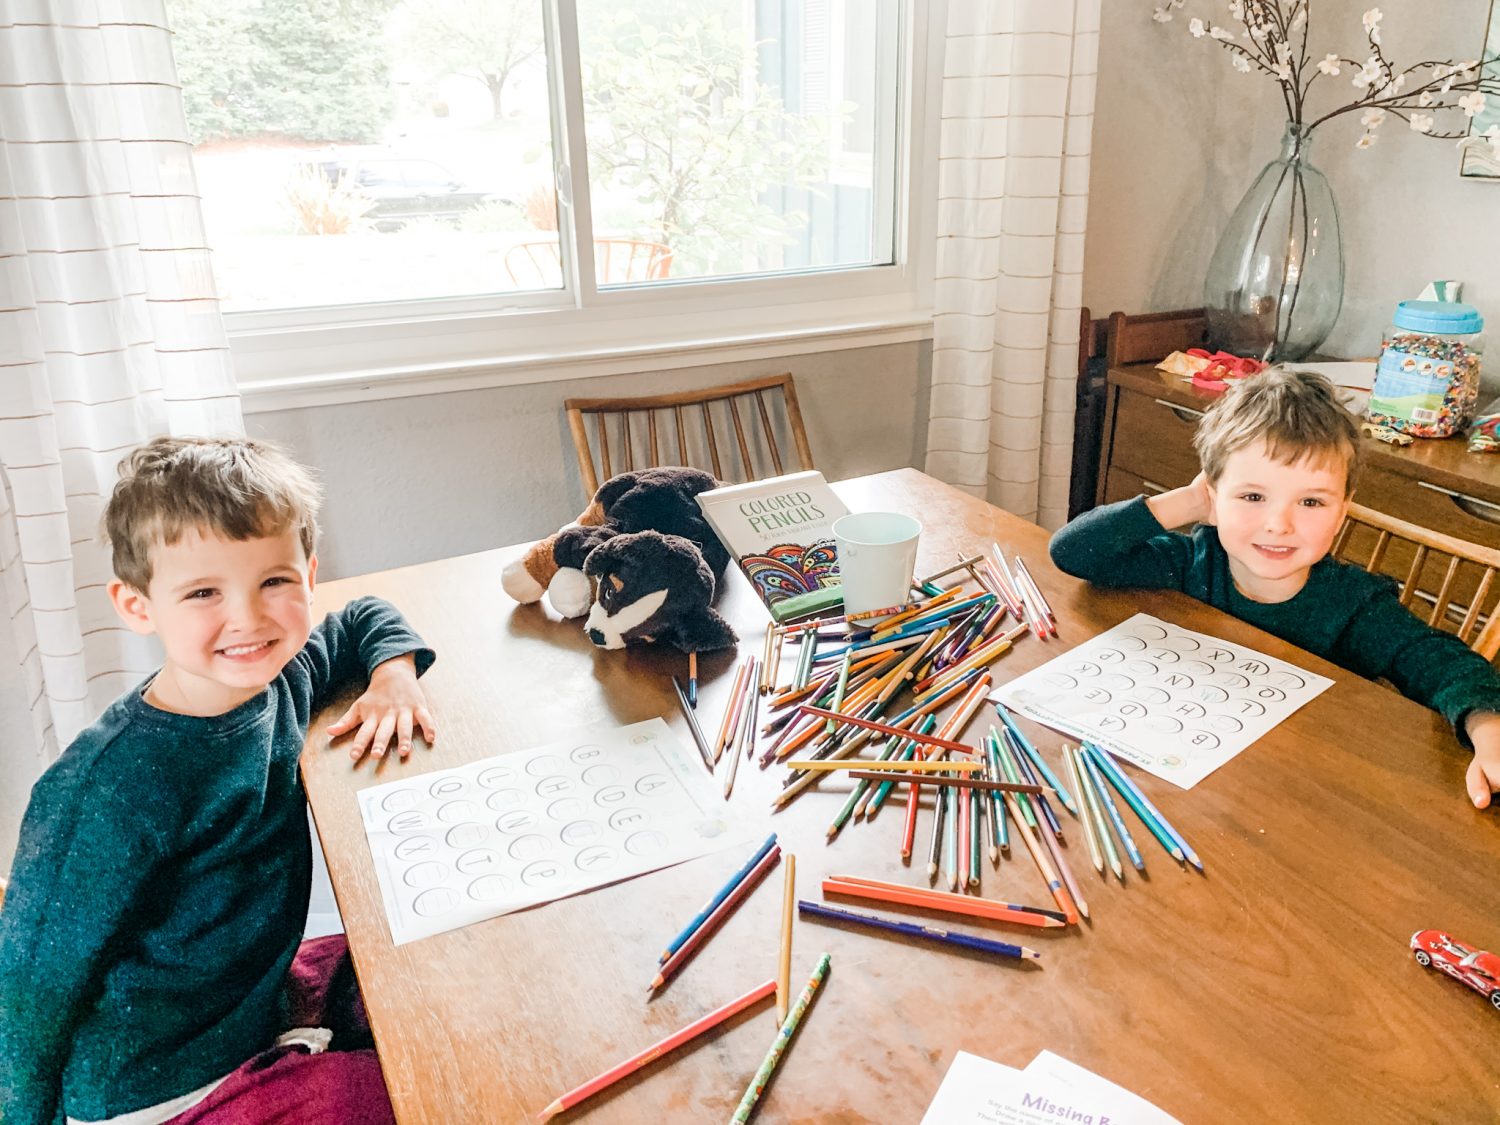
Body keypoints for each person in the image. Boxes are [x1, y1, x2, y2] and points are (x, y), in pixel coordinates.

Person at [0, 437, 438, 1125]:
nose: (249, 617)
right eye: (204, 591)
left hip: (250, 1004)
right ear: (138, 605)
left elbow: (363, 618)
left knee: (417, 981)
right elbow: (30, 988)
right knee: (413, 1096)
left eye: (274, 581)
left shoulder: (281, 675)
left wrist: (392, 677)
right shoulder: (106, 788)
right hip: (151, 1086)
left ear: (309, 573)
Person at [1050, 367, 1500, 808]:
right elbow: (1074, 552)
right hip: (1188, 785)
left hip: (1295, 795)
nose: (1278, 525)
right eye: (1251, 496)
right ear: (1213, 497)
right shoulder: (1188, 563)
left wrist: (1488, 729)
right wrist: (1188, 502)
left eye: (1310, 501)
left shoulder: (1354, 606)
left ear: (1343, 509)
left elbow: (1445, 664)